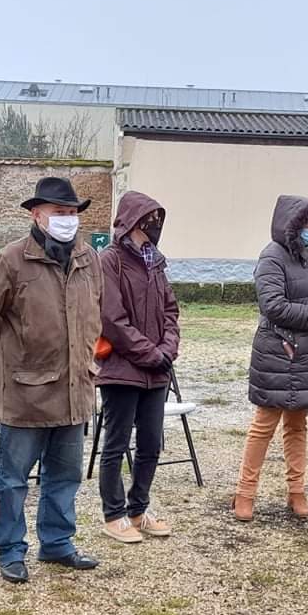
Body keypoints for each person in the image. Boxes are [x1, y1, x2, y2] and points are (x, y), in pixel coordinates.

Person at [0, 177, 103, 582]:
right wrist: (19, 364)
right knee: (13, 480)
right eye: (59, 212)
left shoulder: (88, 258)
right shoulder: (11, 260)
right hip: (26, 393)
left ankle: (57, 543)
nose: (68, 220)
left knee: (65, 475)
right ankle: (11, 550)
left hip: (76, 390)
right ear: (37, 214)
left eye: (72, 213)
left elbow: (94, 315)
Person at [232, 195, 308, 522]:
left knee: (297, 426)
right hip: (278, 352)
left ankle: (296, 491)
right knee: (264, 426)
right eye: (307, 223)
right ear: (290, 225)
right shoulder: (272, 257)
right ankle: (244, 493)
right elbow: (274, 306)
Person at [97, 192, 180, 543]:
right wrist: (149, 353)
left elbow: (171, 312)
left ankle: (139, 509)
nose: (154, 226)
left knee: (150, 444)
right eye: (147, 219)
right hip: (122, 369)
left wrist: (167, 350)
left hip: (156, 371)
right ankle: (113, 514)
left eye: (157, 219)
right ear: (130, 220)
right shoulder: (110, 261)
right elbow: (112, 319)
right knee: (115, 444)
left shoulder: (156, 263)